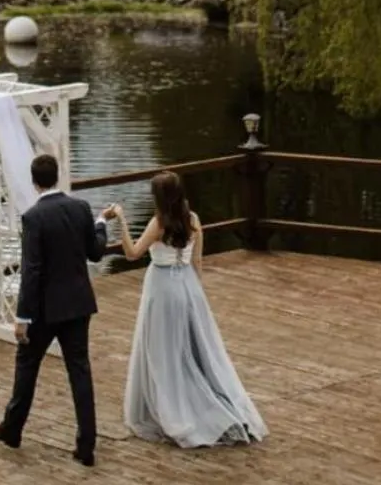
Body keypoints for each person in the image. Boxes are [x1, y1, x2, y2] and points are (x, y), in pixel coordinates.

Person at [103, 171, 266, 448]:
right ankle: (204, 400)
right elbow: (197, 262)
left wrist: (121, 220)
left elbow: (132, 254)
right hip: (188, 286)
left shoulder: (159, 223)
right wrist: (195, 295)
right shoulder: (193, 220)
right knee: (191, 346)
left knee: (161, 350)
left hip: (162, 287)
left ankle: (171, 405)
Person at [0, 151, 108, 465]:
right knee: (80, 371)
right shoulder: (81, 208)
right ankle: (86, 445)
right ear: (57, 175)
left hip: (44, 311)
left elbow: (32, 270)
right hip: (78, 305)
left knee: (27, 365)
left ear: (35, 182)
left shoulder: (34, 217)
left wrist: (22, 317)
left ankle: (12, 430)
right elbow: (95, 253)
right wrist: (101, 224)